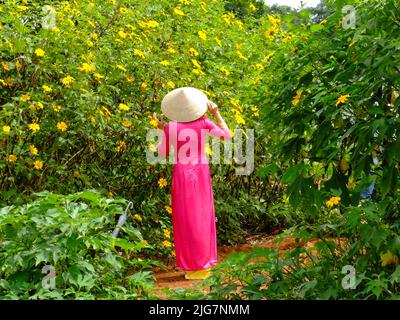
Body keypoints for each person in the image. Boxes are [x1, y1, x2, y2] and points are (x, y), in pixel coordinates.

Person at [152, 87, 231, 280]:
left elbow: (162, 154)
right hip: (200, 172)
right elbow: (226, 135)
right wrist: (216, 112)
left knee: (185, 218)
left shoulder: (171, 126)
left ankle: (190, 267)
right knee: (202, 216)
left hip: (182, 173)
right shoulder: (204, 122)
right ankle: (204, 264)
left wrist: (162, 130)